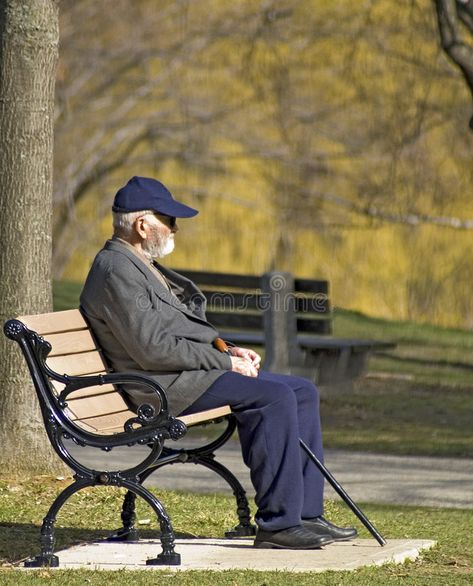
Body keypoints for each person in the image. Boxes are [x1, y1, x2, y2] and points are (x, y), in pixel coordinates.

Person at [80, 176, 357, 549]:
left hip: (180, 375)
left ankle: (306, 514)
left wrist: (226, 350)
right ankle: (278, 524)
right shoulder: (116, 270)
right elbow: (151, 349)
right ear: (143, 226)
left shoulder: (138, 264)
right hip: (159, 386)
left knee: (301, 390)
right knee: (273, 398)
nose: (175, 227)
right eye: (169, 219)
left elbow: (177, 328)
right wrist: (223, 365)